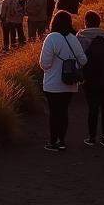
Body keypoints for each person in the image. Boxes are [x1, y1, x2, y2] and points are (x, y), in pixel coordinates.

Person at [39, 10, 87, 151]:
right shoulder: (73, 38)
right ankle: (62, 141)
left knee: (54, 112)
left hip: (53, 84)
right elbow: (83, 60)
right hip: (70, 84)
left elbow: (44, 63)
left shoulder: (52, 38)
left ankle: (53, 142)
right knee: (64, 111)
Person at [77, 11, 104, 147]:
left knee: (93, 108)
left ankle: (91, 137)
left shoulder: (81, 37)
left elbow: (78, 58)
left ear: (86, 22)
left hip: (89, 78)